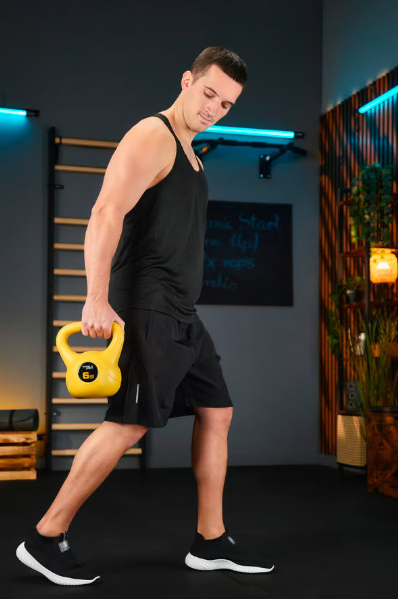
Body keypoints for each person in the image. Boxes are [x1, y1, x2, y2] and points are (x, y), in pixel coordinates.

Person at [16, 47, 275, 585]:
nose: (214, 108)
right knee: (127, 423)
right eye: (209, 94)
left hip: (181, 312)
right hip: (147, 306)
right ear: (186, 81)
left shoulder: (192, 153)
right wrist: (95, 297)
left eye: (226, 104)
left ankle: (210, 540)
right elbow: (105, 212)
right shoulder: (152, 136)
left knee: (217, 411)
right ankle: (44, 536)